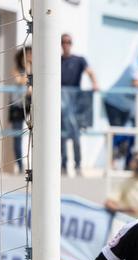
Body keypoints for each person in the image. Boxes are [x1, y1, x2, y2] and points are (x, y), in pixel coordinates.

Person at [60, 33, 97, 174]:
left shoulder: (79, 60)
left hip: (74, 104)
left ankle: (77, 164)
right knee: (61, 136)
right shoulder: (57, 60)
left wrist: (95, 83)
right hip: (61, 105)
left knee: (75, 135)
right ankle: (63, 164)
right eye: (63, 42)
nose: (66, 44)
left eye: (68, 42)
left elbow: (90, 72)